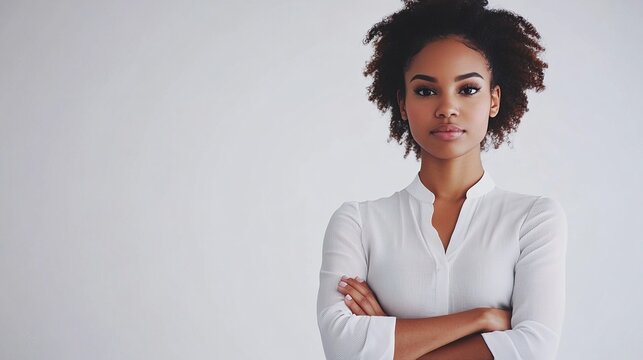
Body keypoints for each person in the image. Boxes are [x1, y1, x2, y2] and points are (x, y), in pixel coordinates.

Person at [315, 1, 568, 359]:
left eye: (467, 89)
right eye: (425, 90)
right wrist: (482, 318)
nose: (447, 107)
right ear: (402, 103)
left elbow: (535, 348)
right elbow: (342, 348)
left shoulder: (534, 219)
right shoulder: (358, 222)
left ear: (494, 99)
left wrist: (388, 344)